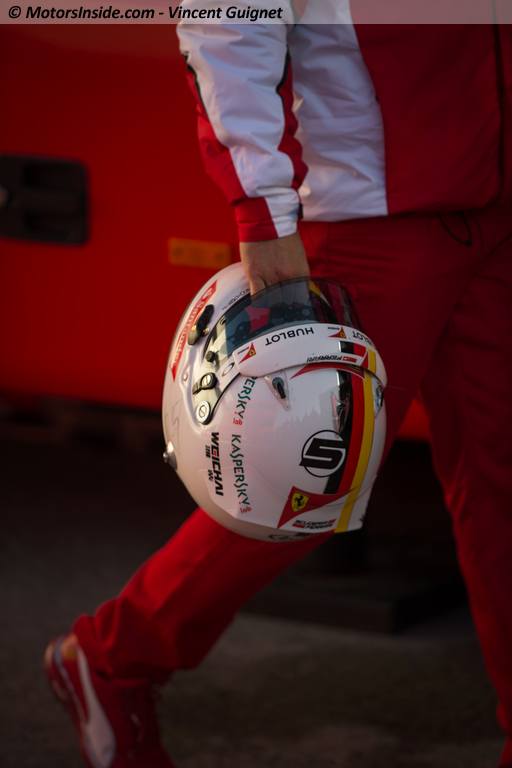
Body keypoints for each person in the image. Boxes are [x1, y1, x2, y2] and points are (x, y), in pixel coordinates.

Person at [45, 11, 512, 768]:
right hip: (367, 211)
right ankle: (112, 658)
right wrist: (261, 210)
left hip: (496, 204)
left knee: (502, 484)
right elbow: (227, 23)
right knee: (299, 478)